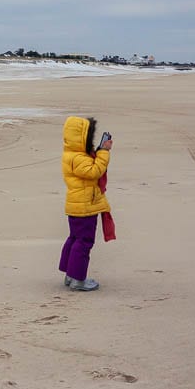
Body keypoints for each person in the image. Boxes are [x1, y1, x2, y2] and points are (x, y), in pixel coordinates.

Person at [58, 116, 113, 291]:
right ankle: (78, 279)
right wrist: (104, 152)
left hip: (77, 205)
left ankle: (70, 274)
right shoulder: (78, 157)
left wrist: (97, 151)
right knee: (84, 241)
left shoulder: (72, 154)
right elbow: (94, 171)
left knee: (75, 238)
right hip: (84, 207)